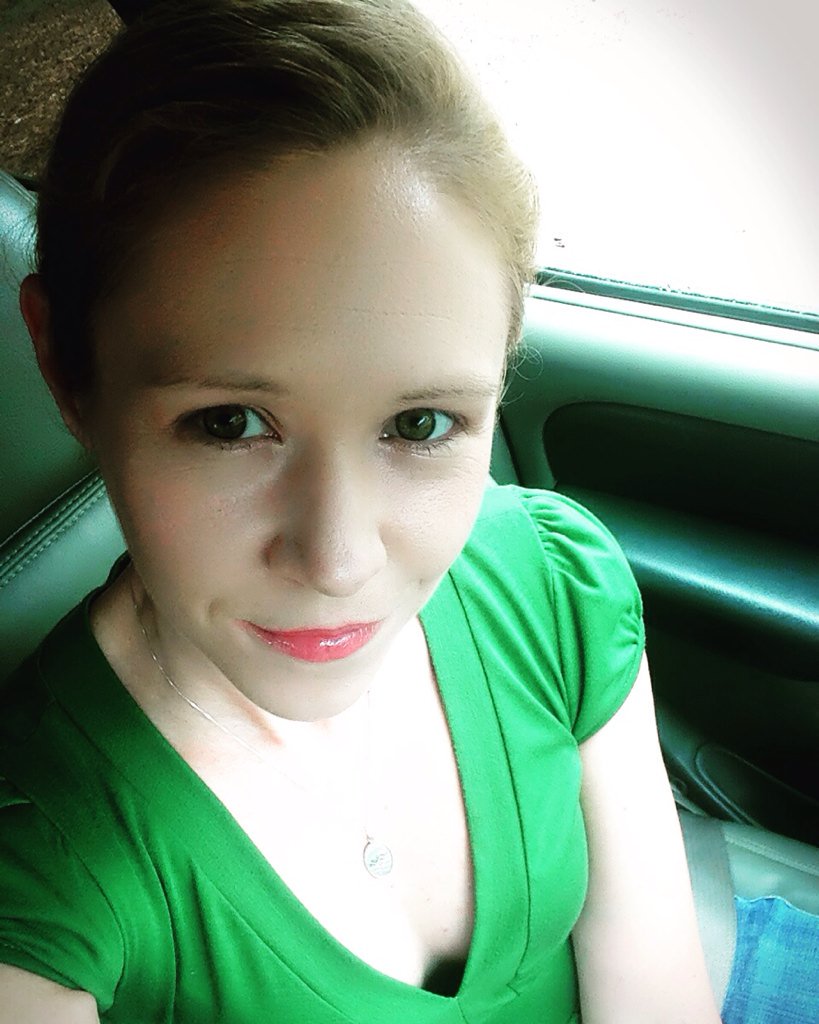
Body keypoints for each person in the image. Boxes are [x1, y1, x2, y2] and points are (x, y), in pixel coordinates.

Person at [0, 1, 723, 1021]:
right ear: (65, 368)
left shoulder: (551, 585)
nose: (338, 561)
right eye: (228, 423)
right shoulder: (45, 857)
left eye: (420, 424)